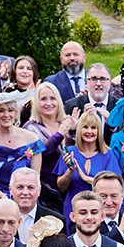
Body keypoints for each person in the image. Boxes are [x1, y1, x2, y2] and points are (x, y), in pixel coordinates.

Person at [0, 90, 43, 216]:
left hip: (26, 201)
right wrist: (4, 197)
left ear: (16, 113)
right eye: (1, 111)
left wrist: (22, 197)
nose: (6, 115)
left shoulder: (32, 140)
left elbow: (35, 177)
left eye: (10, 110)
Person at [22, 82, 75, 214]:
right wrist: (59, 134)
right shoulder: (30, 127)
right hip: (46, 190)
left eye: (52, 98)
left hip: (70, 185)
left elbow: (77, 151)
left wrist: (74, 131)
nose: (48, 103)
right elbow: (39, 152)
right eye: (43, 99)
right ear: (36, 103)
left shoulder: (66, 123)